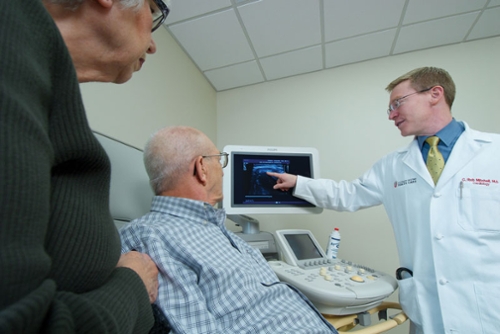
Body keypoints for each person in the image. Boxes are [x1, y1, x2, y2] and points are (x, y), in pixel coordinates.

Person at [267, 67, 500, 334]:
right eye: (389, 109)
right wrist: (299, 183)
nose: (391, 115)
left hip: (489, 306)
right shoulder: (393, 165)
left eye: (398, 103)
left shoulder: (493, 152)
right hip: (428, 309)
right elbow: (349, 194)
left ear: (435, 94)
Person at [0, 0, 169, 332]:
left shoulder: (39, 77)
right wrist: (133, 284)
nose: (152, 44)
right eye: (154, 13)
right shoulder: (10, 26)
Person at [119, 126, 338, 333]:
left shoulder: (215, 229)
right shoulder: (150, 236)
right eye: (220, 161)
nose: (223, 172)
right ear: (201, 168)